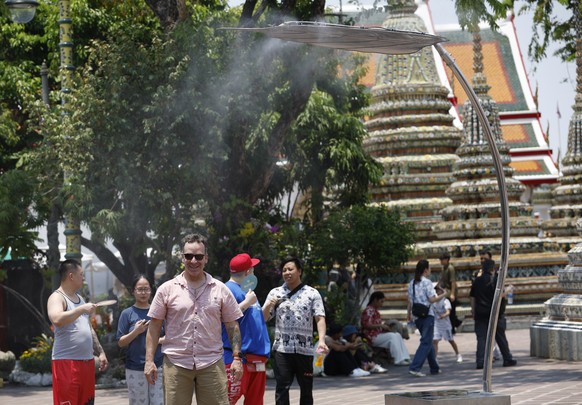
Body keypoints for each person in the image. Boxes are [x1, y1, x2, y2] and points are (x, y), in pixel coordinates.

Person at [145, 233, 244, 405]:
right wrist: (149, 361)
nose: (193, 261)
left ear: (206, 258)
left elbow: (232, 326)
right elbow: (153, 327)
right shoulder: (166, 290)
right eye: (189, 256)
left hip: (211, 363)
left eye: (198, 256)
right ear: (182, 258)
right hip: (176, 364)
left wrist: (237, 358)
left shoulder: (220, 289)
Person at [263, 257, 328, 405]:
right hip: (282, 349)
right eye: (284, 270)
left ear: (299, 271)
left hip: (304, 349)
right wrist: (268, 305)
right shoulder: (275, 293)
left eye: (290, 269)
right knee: (282, 388)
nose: (287, 272)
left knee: (306, 389)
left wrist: (322, 340)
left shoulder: (312, 293)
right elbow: (264, 318)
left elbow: (320, 318)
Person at [47, 259, 108, 405]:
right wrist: (81, 309)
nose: (83, 277)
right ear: (71, 276)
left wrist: (100, 352)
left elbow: (88, 328)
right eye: (81, 274)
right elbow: (56, 319)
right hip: (66, 363)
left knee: (87, 402)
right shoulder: (57, 297)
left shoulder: (80, 298)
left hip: (86, 362)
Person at [221, 253, 271, 405]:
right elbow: (224, 317)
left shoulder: (246, 290)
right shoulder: (227, 289)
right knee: (227, 400)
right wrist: (247, 303)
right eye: (252, 268)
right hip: (238, 358)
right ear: (248, 271)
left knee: (255, 401)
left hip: (257, 357)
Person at [117, 275, 164, 405]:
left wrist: (157, 340)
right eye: (140, 289)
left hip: (158, 365)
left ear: (151, 291)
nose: (143, 293)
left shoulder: (159, 312)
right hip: (135, 366)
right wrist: (136, 331)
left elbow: (171, 337)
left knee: (158, 402)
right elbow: (120, 342)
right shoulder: (127, 314)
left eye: (146, 289)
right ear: (133, 291)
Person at [469, 258, 517, 370]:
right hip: (495, 312)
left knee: (481, 338)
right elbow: (501, 295)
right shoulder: (496, 280)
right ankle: (507, 358)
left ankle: (480, 361)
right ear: (493, 269)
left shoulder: (477, 281)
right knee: (500, 337)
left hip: (480, 312)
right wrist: (509, 290)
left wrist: (473, 310)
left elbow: (472, 297)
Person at [406, 259, 447, 377]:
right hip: (427, 315)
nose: (430, 271)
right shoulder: (427, 282)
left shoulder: (412, 283)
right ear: (425, 270)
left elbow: (410, 301)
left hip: (417, 316)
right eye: (429, 268)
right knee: (426, 342)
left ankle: (434, 368)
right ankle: (415, 367)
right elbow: (431, 299)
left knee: (428, 341)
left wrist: (408, 314)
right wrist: (443, 295)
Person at [360, 291, 411, 366]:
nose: (382, 304)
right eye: (381, 301)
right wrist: (380, 326)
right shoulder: (368, 310)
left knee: (396, 334)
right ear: (375, 300)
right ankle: (398, 360)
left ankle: (405, 358)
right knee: (392, 336)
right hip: (371, 337)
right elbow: (366, 325)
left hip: (378, 335)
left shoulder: (375, 311)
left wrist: (386, 328)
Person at [432, 283, 462, 363]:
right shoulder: (434, 300)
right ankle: (435, 358)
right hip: (436, 323)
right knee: (435, 341)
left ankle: (458, 354)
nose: (437, 291)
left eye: (439, 289)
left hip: (445, 323)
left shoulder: (445, 300)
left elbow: (448, 312)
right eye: (436, 290)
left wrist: (443, 315)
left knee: (451, 340)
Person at [438, 252, 461, 332]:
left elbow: (453, 281)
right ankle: (457, 323)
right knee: (448, 310)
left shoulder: (450, 268)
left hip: (450, 291)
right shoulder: (443, 268)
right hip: (446, 291)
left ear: (447, 260)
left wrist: (452, 294)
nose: (441, 261)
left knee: (451, 311)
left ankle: (453, 328)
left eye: (442, 260)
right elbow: (441, 279)